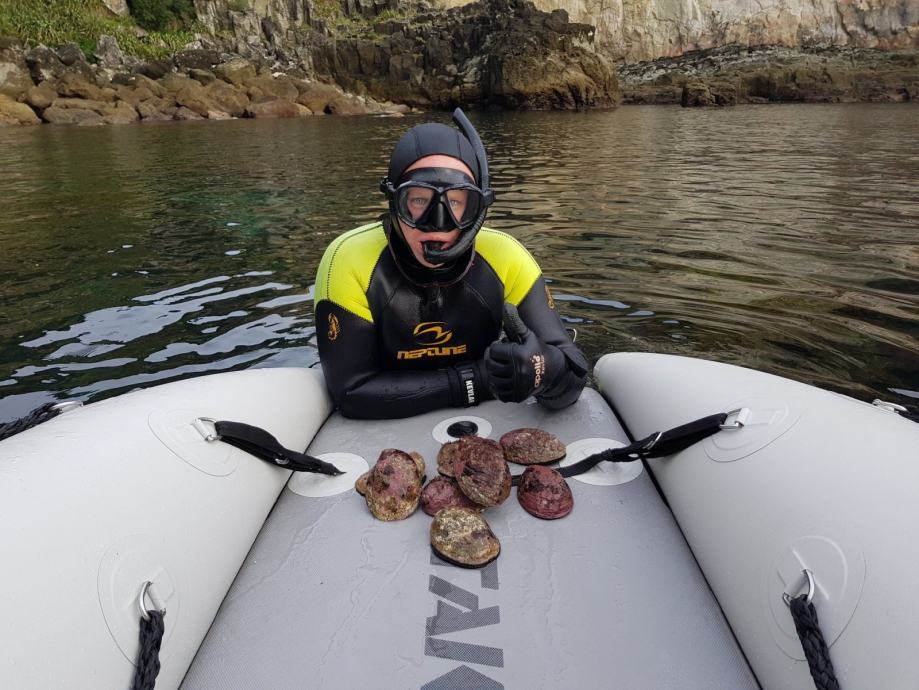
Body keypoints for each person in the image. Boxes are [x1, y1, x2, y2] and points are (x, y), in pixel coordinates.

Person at [313, 109, 587, 419]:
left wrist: (544, 369)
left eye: (456, 202)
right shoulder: (351, 260)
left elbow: (573, 379)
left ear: (477, 208)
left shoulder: (506, 258)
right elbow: (350, 392)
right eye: (418, 200)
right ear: (393, 201)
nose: (438, 223)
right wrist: (479, 380)